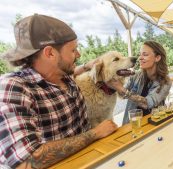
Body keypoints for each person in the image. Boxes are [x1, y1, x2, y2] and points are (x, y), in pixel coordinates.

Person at [0, 14, 118, 169]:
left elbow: (75, 70)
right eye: (73, 50)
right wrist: (94, 133)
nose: (79, 54)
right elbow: (25, 162)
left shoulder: (64, 77)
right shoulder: (14, 87)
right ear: (50, 53)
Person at [107, 41, 172, 124]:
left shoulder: (165, 82)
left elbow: (147, 103)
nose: (140, 58)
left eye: (145, 54)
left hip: (154, 124)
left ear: (157, 58)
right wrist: (116, 78)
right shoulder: (136, 76)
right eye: (140, 54)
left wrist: (121, 89)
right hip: (132, 124)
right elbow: (121, 95)